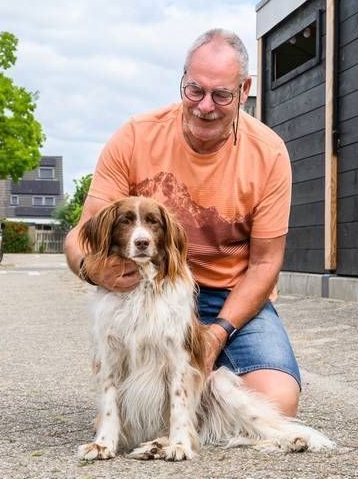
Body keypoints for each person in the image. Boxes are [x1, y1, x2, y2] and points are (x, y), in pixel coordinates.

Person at [64, 28, 301, 416]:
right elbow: (81, 234)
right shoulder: (135, 136)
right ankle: (162, 403)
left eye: (221, 95)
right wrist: (94, 271)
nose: (205, 106)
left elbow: (265, 264)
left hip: (228, 295)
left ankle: (204, 379)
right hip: (149, 286)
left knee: (278, 403)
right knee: (139, 396)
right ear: (182, 80)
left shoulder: (270, 153)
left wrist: (216, 335)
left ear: (244, 91)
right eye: (195, 90)